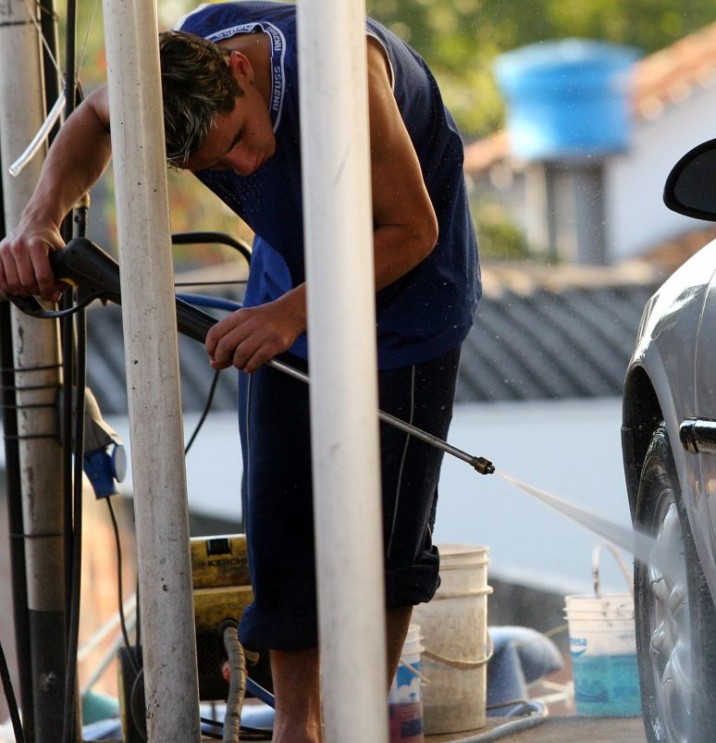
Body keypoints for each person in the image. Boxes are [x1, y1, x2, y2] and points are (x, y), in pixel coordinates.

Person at [0, 2, 481, 740]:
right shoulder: (164, 71)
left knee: (386, 530)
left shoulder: (342, 72)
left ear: (240, 69)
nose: (248, 166)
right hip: (291, 278)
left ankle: (359, 722)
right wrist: (39, 217)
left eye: (243, 139)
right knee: (281, 514)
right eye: (220, 167)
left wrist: (291, 316)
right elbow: (97, 118)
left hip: (408, 290)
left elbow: (412, 229)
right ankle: (298, 725)